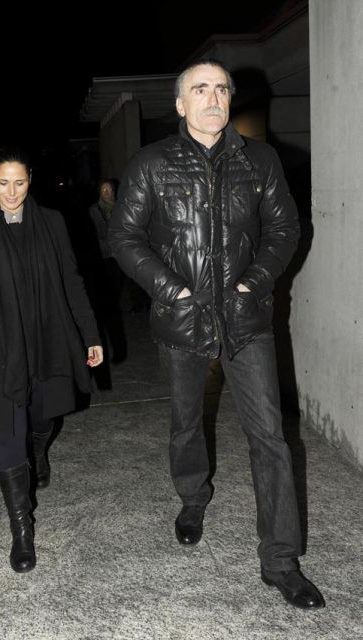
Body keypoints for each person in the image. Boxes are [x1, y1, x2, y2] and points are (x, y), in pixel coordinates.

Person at [108, 58, 325, 609]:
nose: (213, 99)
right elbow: (125, 237)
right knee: (186, 422)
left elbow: (285, 227)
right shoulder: (152, 162)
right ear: (181, 104)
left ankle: (280, 561)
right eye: (200, 89)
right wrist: (173, 290)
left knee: (270, 437)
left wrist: (255, 281)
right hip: (181, 320)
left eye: (221, 89)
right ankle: (192, 496)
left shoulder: (260, 159)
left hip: (247, 320)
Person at [0, 146, 103, 573]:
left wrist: (90, 334)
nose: (11, 192)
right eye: (3, 183)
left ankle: (40, 448)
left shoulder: (51, 222)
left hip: (45, 339)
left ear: (30, 179)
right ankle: (21, 531)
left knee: (41, 417)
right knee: (9, 433)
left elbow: (71, 279)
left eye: (19, 183)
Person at [88, 179, 127, 364]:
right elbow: (95, 235)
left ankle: (119, 348)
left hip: (120, 258)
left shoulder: (120, 209)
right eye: (103, 189)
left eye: (109, 189)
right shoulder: (94, 210)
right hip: (103, 260)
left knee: (114, 301)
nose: (106, 193)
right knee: (108, 303)